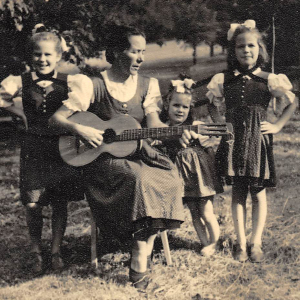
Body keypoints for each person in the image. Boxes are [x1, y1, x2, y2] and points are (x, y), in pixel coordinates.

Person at [49, 25, 184, 289]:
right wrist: (80, 129)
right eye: (135, 51)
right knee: (138, 180)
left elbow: (154, 123)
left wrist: (178, 133)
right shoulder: (92, 84)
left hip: (139, 154)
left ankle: (143, 247)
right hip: (102, 163)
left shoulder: (147, 85)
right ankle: (138, 267)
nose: (142, 58)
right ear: (116, 53)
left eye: (143, 51)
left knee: (168, 177)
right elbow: (56, 121)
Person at [205, 20, 298, 262]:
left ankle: (255, 242)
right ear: (233, 51)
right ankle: (241, 243)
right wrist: (220, 126)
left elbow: (292, 102)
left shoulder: (269, 79)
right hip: (234, 141)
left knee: (257, 192)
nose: (246, 50)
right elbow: (212, 103)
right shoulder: (224, 79)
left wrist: (277, 125)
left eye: (251, 46)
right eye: (240, 47)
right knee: (238, 192)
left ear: (260, 49)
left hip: (258, 140)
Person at [0, 26, 88, 274]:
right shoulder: (20, 82)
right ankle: (36, 250)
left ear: (58, 56)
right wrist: (19, 112)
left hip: (60, 147)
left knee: (59, 202)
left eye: (48, 55)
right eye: (38, 54)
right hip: (33, 147)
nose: (43, 59)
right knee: (32, 204)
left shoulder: (70, 82)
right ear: (31, 57)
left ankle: (56, 250)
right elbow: (2, 99)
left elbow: (78, 108)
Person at [158, 76, 223, 257]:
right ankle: (205, 243)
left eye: (185, 107)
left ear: (190, 109)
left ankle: (215, 242)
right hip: (182, 178)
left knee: (206, 211)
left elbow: (209, 149)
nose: (180, 110)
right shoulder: (162, 129)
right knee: (194, 213)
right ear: (167, 106)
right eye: (176, 105)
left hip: (200, 176)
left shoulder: (195, 126)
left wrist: (213, 174)